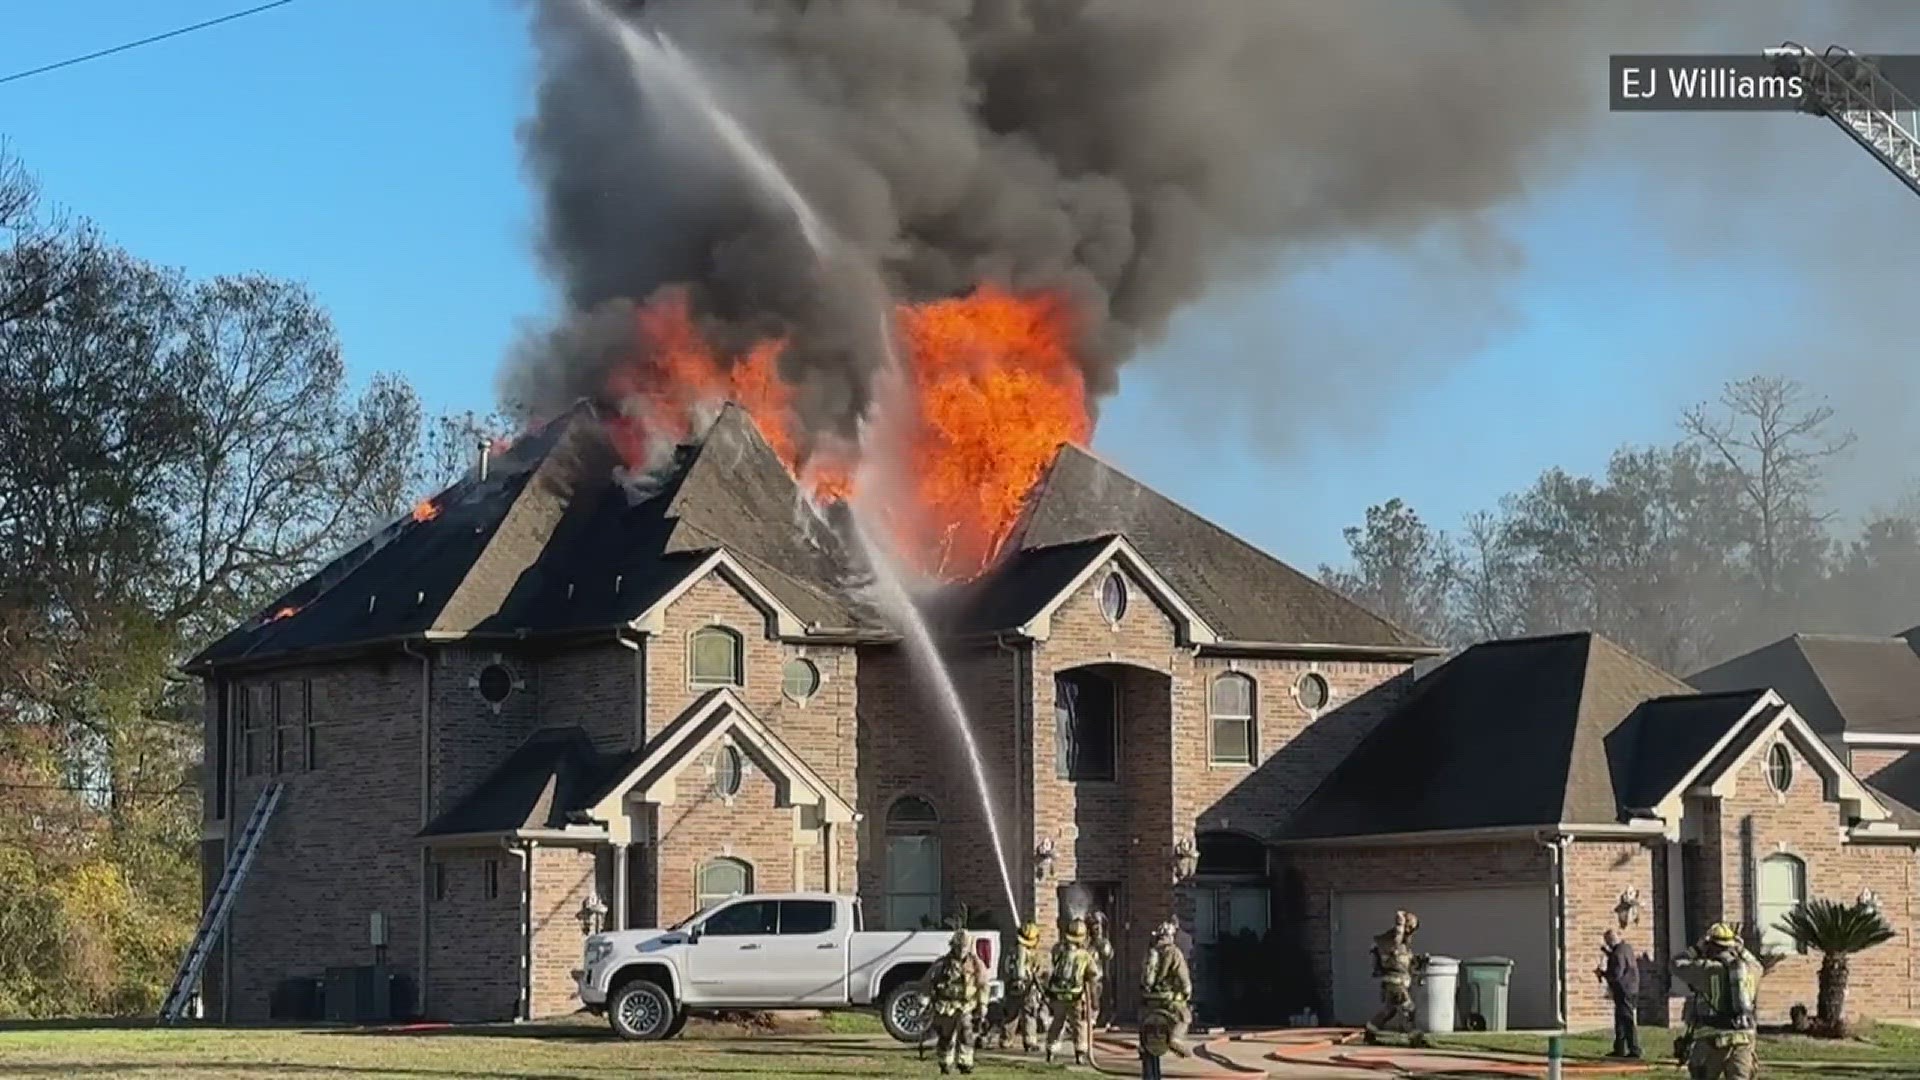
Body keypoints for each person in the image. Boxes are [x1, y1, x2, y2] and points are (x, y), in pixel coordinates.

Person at [1671, 923, 1761, 1080]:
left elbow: (1675, 964)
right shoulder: (1752, 969)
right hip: (1743, 1041)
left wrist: (1697, 949)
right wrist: (1741, 949)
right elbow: (1758, 964)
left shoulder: (1705, 970)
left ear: (1710, 947)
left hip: (1710, 1042)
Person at [925, 929, 989, 1075]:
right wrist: (925, 999)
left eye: (965, 947)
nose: (961, 950)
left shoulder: (976, 964)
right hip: (946, 1005)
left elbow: (983, 985)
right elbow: (928, 981)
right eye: (959, 947)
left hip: (966, 1005)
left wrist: (983, 1004)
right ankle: (945, 1063)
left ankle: (965, 1063)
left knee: (967, 1032)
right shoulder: (942, 964)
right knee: (946, 1036)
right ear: (953, 946)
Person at [1363, 909, 1427, 1046]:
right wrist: (1403, 919)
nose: (1411, 932)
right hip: (1394, 983)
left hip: (1397, 982)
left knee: (1389, 1011)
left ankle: (1370, 1030)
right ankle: (1414, 1037)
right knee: (1408, 1008)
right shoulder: (1394, 940)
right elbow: (1398, 926)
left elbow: (1406, 963)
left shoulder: (1404, 945)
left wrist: (1418, 961)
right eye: (1410, 927)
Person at [1138, 920, 1193, 1076]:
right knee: (1185, 1016)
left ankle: (1144, 1050)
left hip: (1149, 1000)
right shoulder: (1174, 953)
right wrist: (1186, 992)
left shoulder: (1151, 952)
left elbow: (1144, 977)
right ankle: (1175, 1038)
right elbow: (1184, 980)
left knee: (1145, 1028)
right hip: (1168, 999)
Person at [985, 922, 1048, 1052]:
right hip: (1028, 988)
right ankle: (1030, 1041)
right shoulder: (1031, 954)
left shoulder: (1012, 951)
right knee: (1029, 1015)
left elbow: (1006, 968)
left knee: (1011, 1015)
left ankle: (1006, 1040)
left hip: (1012, 987)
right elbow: (1036, 971)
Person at [1044, 917, 1098, 1066]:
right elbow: (1093, 974)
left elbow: (1054, 964)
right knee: (1079, 1024)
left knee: (1057, 1022)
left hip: (1057, 995)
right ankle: (1080, 1053)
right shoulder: (1085, 956)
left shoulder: (1058, 950)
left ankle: (1051, 1049)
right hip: (1076, 995)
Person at [1594, 928, 1641, 1059]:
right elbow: (1618, 958)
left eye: (1607, 942)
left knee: (1626, 1020)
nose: (1607, 944)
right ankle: (1619, 1048)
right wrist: (1607, 953)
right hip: (1631, 988)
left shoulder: (1617, 954)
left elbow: (1616, 973)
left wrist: (1602, 974)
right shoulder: (1626, 948)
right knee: (1620, 1020)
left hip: (1623, 990)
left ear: (1610, 940)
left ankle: (1634, 1049)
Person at [1087, 910, 1116, 1031]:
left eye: (1099, 925)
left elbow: (1108, 953)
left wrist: (1101, 944)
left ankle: (1103, 1019)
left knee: (1102, 996)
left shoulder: (1103, 942)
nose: (1097, 928)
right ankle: (1092, 1018)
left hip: (1101, 974)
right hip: (1090, 975)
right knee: (1093, 998)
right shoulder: (1087, 942)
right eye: (1094, 925)